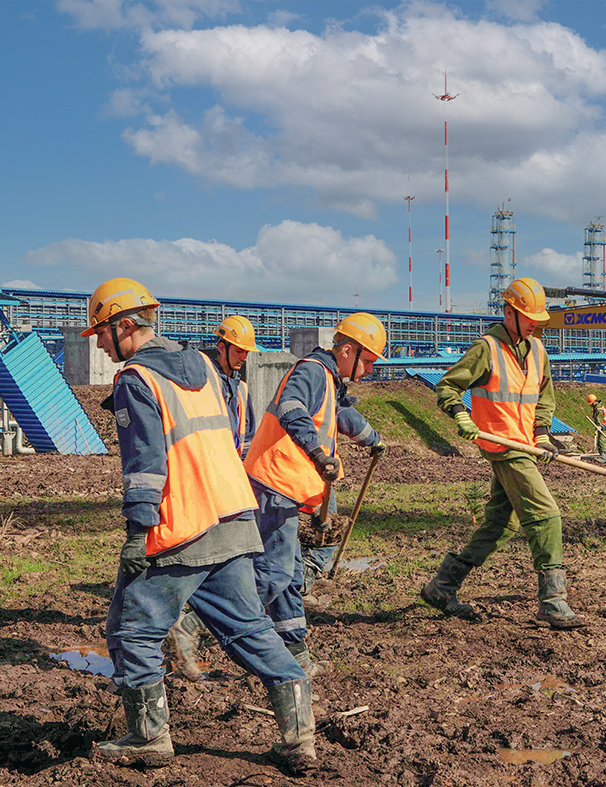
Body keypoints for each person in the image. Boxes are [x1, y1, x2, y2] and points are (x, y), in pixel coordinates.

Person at [83, 278, 315, 773]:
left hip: (180, 524)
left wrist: (136, 533)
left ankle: (149, 738)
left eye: (101, 332)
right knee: (250, 629)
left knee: (133, 634)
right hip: (232, 514)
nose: (100, 343)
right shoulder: (206, 368)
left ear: (126, 326)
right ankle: (300, 737)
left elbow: (145, 465)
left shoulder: (137, 380)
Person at [420, 277, 586, 630]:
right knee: (546, 515)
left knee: (502, 523)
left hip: (525, 445)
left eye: (537, 319)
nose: (534, 324)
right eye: (528, 317)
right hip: (503, 446)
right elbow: (448, 385)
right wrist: (461, 413)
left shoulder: (538, 351)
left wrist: (542, 435)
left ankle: (442, 586)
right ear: (509, 313)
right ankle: (553, 602)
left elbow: (544, 396)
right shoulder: (487, 348)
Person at [243, 312, 387, 678]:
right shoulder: (310, 372)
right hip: (274, 481)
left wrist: (372, 438)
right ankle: (203, 622)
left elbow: (338, 415)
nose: (370, 370)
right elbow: (292, 408)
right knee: (275, 573)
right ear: (347, 351)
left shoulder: (329, 379)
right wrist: (319, 454)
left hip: (286, 486)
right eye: (368, 361)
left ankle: (294, 648)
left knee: (288, 574)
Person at [169, 315, 261, 682]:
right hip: (200, 483)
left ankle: (185, 632)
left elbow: (246, 436)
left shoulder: (239, 388)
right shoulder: (200, 377)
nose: (242, 357)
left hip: (229, 484)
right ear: (221, 346)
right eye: (238, 350)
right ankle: (182, 634)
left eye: (246, 352)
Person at [587, 394, 606, 460]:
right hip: (602, 424)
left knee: (602, 440)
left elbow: (599, 420)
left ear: (594, 402)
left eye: (591, 403)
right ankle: (601, 455)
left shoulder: (598, 409)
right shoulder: (597, 407)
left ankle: (603, 456)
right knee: (600, 440)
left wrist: (598, 427)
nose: (590, 405)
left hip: (605, 425)